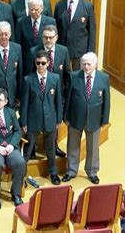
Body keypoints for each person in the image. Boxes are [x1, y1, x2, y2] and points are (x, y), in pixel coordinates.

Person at [63, 52, 110, 184]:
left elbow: (107, 101)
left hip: (94, 119)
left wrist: (104, 119)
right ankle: (71, 171)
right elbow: (68, 99)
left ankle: (92, 171)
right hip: (75, 118)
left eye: (89, 64)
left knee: (93, 147)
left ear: (95, 64)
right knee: (72, 145)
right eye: (83, 63)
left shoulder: (104, 78)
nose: (86, 66)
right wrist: (66, 117)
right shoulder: (74, 76)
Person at [20, 51, 63, 185]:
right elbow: (24, 102)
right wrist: (24, 122)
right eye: (38, 63)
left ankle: (53, 173)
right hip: (33, 120)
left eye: (43, 63)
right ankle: (21, 176)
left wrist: (59, 119)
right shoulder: (28, 80)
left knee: (50, 149)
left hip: (50, 119)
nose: (40, 66)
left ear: (48, 63)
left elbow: (58, 100)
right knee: (28, 150)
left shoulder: (55, 78)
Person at [30, 24, 71, 158]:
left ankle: (54, 146)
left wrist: (63, 94)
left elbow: (67, 75)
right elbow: (30, 75)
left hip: (57, 96)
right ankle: (33, 147)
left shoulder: (63, 51)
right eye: (45, 37)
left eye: (50, 37)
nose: (48, 40)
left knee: (55, 121)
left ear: (56, 37)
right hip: (39, 93)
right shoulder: (34, 51)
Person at [54, 0, 96, 70]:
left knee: (77, 79)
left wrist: (91, 53)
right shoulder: (59, 5)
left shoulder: (87, 6)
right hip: (63, 49)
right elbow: (55, 28)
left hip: (80, 52)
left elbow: (92, 32)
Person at [14, 0, 56, 77]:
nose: (33, 12)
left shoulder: (50, 21)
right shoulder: (21, 22)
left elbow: (52, 42)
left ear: (42, 9)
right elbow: (18, 44)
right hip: (27, 63)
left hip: (43, 62)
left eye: (36, 9)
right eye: (31, 9)